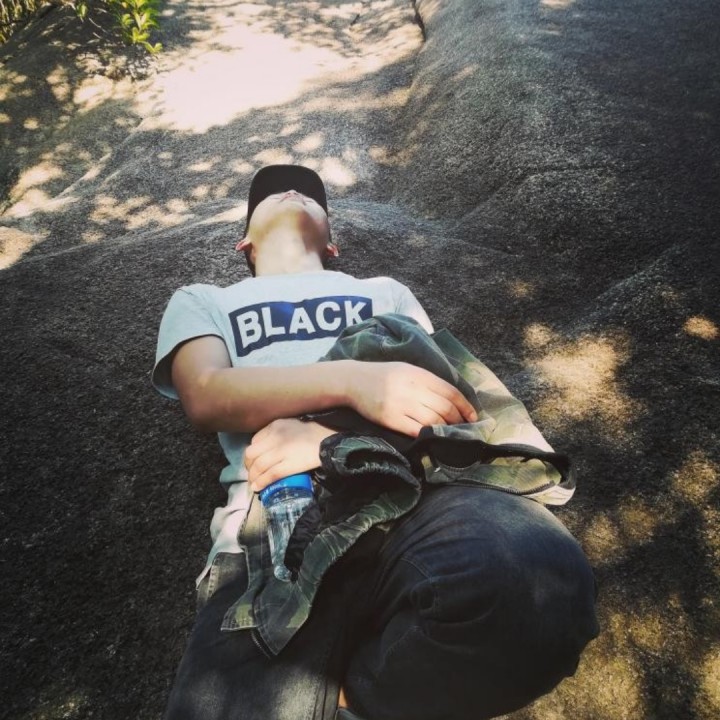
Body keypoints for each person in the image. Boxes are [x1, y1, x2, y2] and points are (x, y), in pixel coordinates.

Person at [152, 164, 599, 720]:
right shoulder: (204, 299)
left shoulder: (382, 291)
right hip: (276, 519)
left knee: (538, 582)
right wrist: (353, 381)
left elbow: (444, 401)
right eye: (269, 193)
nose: (291, 190)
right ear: (245, 242)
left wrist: (332, 437)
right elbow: (206, 394)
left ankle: (355, 703)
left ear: (333, 245)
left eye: (310, 193)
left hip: (415, 494)